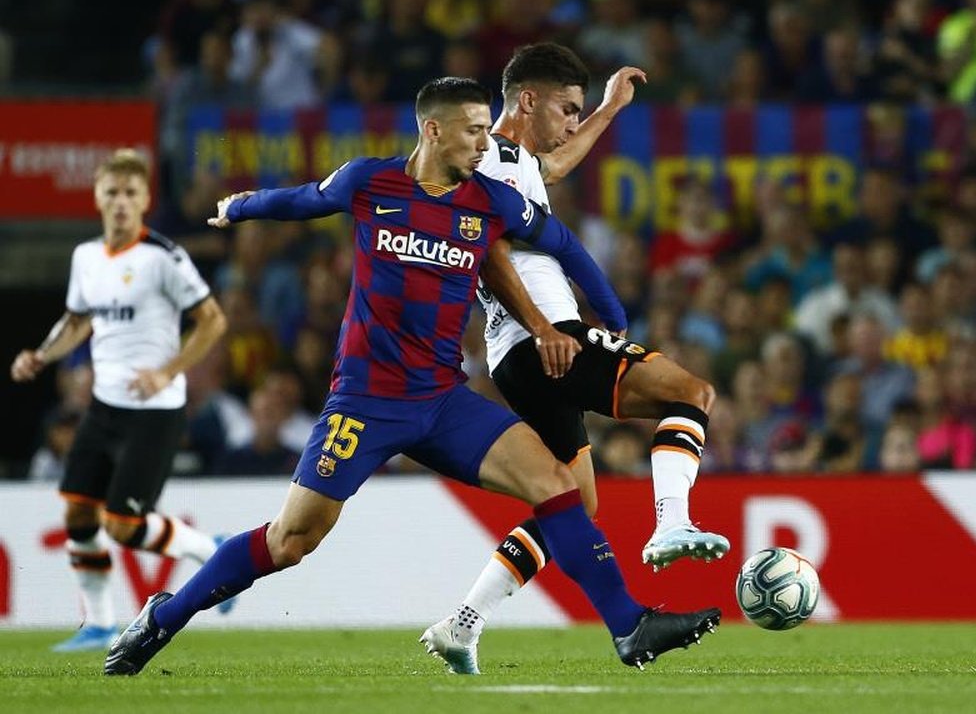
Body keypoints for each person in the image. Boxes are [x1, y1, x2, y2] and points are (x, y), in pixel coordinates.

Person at [103, 77, 720, 677]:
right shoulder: (372, 181)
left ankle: (628, 625)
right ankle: (166, 614)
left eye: (487, 129)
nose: (485, 144)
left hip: (443, 399)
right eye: (474, 131)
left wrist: (610, 322)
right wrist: (239, 207)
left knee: (558, 485)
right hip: (364, 403)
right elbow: (303, 199)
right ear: (434, 129)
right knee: (291, 541)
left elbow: (562, 243)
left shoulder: (490, 200)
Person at [419, 43, 728, 675]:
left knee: (571, 506)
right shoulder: (494, 164)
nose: (569, 123)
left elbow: (554, 165)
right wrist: (543, 325)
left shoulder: (510, 160)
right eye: (566, 109)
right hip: (549, 338)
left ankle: (462, 623)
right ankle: (672, 522)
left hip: (515, 354)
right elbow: (491, 247)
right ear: (526, 101)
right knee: (690, 393)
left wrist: (609, 110)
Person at [9, 149, 231, 652]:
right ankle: (102, 624)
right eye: (112, 193)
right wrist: (40, 357)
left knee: (123, 524)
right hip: (106, 407)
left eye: (131, 194)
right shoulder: (86, 258)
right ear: (97, 198)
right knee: (78, 516)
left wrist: (168, 372)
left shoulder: (163, 257)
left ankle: (208, 549)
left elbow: (213, 319)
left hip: (155, 411)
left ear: (146, 199)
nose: (121, 203)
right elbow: (77, 321)